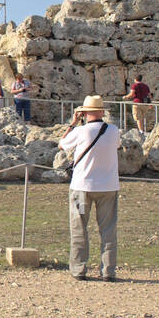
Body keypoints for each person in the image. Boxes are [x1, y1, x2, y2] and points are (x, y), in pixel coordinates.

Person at [58, 95, 120, 282]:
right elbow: (116, 146)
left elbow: (62, 144)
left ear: (84, 113)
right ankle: (108, 270)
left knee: (80, 228)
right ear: (102, 111)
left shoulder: (81, 131)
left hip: (82, 188)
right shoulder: (114, 130)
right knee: (108, 229)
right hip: (108, 187)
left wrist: (73, 123)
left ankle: (78, 268)